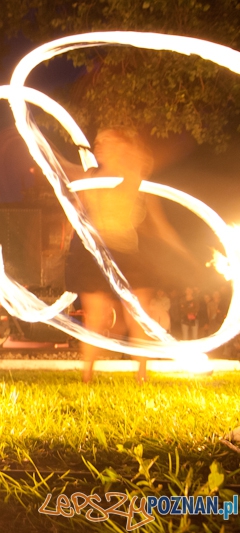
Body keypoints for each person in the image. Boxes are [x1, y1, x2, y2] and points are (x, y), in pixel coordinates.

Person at [65, 128, 192, 383]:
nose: (99, 146)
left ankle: (141, 376)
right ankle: (87, 377)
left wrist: (184, 252)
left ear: (122, 147)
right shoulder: (91, 177)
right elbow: (76, 212)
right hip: (96, 255)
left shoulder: (137, 180)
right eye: (98, 142)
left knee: (138, 316)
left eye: (107, 142)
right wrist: (67, 240)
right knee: (95, 318)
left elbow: (160, 224)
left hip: (130, 257)